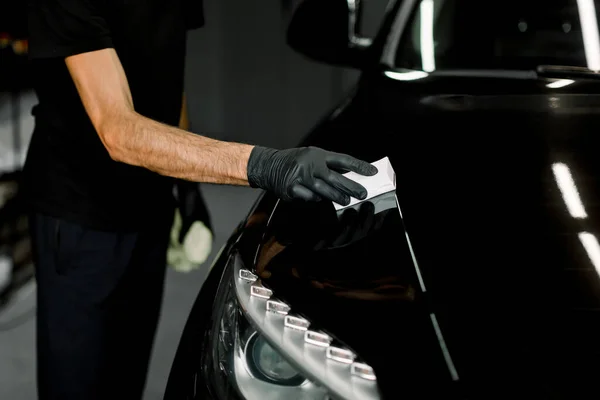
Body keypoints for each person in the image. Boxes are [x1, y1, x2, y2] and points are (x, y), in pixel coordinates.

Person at [23, 0, 378, 399]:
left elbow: (168, 71)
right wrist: (264, 164)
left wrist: (184, 186)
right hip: (80, 213)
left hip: (150, 202)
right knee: (79, 384)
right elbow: (117, 130)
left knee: (126, 376)